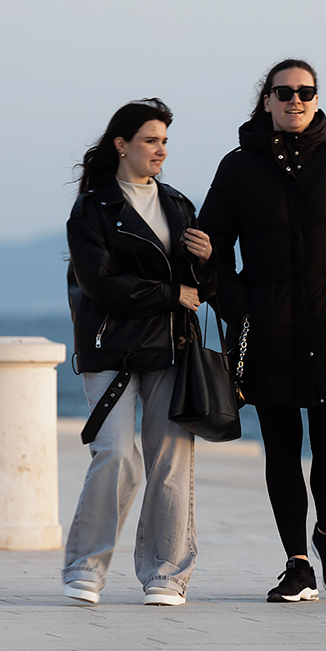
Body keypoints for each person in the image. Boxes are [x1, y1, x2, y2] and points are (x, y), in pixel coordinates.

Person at [199, 59, 326, 602]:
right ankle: (297, 563)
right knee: (281, 451)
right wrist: (241, 305)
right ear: (266, 100)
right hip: (269, 333)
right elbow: (209, 247)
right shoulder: (238, 167)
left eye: (305, 92)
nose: (295, 101)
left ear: (317, 98)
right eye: (283, 92)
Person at [62, 98, 214, 608]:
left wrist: (207, 261)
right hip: (110, 347)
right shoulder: (92, 208)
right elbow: (100, 283)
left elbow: (199, 287)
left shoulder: (178, 205)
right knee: (115, 454)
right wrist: (170, 294)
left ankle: (167, 575)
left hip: (171, 346)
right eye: (151, 140)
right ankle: (85, 568)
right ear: (121, 145)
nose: (161, 150)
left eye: (165, 141)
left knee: (171, 459)